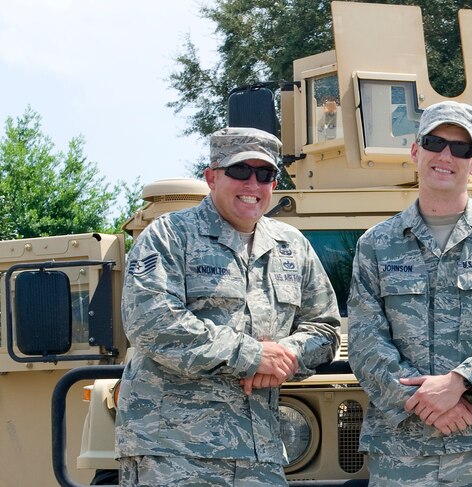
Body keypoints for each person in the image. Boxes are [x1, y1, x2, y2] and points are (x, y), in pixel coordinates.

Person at [115, 127, 341, 486]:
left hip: (260, 450)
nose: (253, 184)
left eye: (265, 174)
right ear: (211, 177)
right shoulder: (170, 236)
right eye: (240, 171)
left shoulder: (291, 246)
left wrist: (285, 355)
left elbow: (325, 329)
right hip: (175, 451)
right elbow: (152, 323)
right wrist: (252, 355)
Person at [347, 101, 472, 486]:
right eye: (435, 142)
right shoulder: (376, 244)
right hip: (401, 450)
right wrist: (424, 402)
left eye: (461, 147)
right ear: (416, 151)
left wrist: (459, 384)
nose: (446, 155)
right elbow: (365, 340)